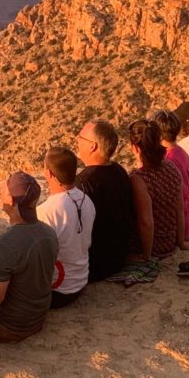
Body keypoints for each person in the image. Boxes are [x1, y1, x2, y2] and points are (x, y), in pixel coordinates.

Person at [0, 171, 58, 342]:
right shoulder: (49, 233)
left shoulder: (7, 243)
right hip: (37, 318)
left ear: (11, 200)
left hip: (9, 326)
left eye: (2, 192)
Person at [73, 120, 136, 282]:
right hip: (120, 257)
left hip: (96, 264)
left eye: (80, 137)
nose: (77, 140)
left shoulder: (84, 182)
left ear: (92, 146)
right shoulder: (118, 170)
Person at [39, 145, 95, 308]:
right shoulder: (87, 201)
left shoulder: (46, 211)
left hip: (58, 291)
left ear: (49, 173)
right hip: (81, 281)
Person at [125, 119, 186, 262]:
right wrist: (181, 242)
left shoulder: (138, 178)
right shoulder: (171, 167)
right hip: (169, 242)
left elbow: (147, 222)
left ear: (135, 148)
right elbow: (180, 209)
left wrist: (146, 256)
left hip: (151, 246)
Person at [152, 109, 189, 252]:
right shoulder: (182, 152)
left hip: (176, 227)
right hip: (186, 221)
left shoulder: (166, 160)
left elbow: (174, 202)